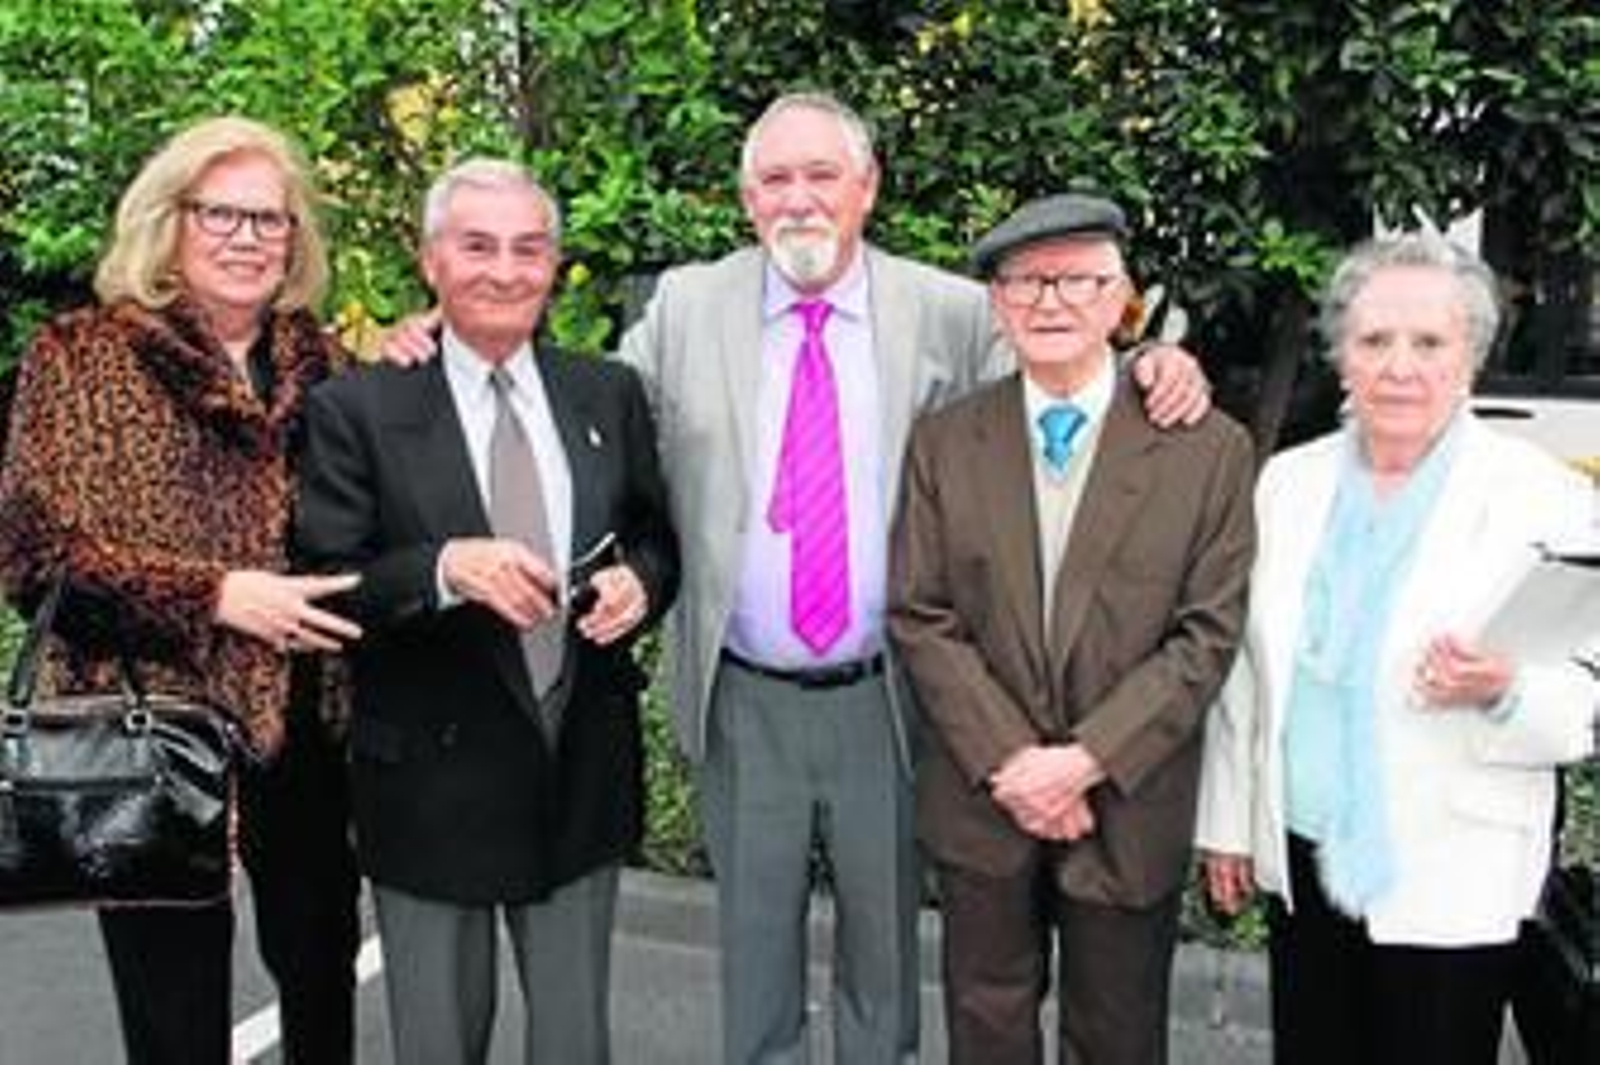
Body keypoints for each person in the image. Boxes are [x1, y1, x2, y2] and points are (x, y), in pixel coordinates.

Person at [382, 90, 1212, 1062]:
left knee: (884, 961)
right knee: (756, 959)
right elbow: (576, 409)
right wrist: (447, 336)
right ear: (747, 199)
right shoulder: (688, 307)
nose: (799, 198)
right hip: (745, 695)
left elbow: (1062, 357)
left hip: (892, 694)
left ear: (867, 188)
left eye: (822, 175)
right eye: (775, 179)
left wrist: (1152, 360)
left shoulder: (945, 311)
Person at [296, 158, 679, 1065]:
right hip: (430, 782)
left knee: (576, 1044)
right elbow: (327, 577)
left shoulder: (607, 392)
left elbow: (654, 535)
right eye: (477, 246)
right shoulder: (357, 405)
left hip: (578, 769)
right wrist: (443, 568)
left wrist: (641, 583)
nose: (505, 271)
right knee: (437, 1044)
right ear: (430, 260)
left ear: (555, 264)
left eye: (528, 248)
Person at [0, 116, 364, 1064]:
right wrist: (212, 595)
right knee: (174, 1013)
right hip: (150, 726)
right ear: (170, 222)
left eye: (269, 219)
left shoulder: (328, 366)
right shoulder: (81, 357)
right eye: (221, 215)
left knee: (322, 981)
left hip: (304, 727)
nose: (248, 238)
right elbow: (33, 555)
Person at [1196, 233, 1599, 1065]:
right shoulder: (1288, 483)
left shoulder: (1542, 497)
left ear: (1470, 356)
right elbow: (1247, 671)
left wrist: (1505, 688)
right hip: (1307, 850)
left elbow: (1585, 691)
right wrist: (1229, 820)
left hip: (1453, 854)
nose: (1399, 367)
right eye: (1375, 339)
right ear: (1341, 352)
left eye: (1429, 342)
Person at [887, 193, 1255, 1065]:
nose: (1049, 302)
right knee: (986, 1030)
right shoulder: (944, 441)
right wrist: (1015, 763)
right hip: (986, 797)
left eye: (1078, 280)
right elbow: (920, 610)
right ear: (997, 304)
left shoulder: (1208, 450)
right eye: (1025, 283)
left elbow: (1205, 635)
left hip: (1127, 800)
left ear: (1122, 299)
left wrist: (1085, 759)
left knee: (1118, 1037)